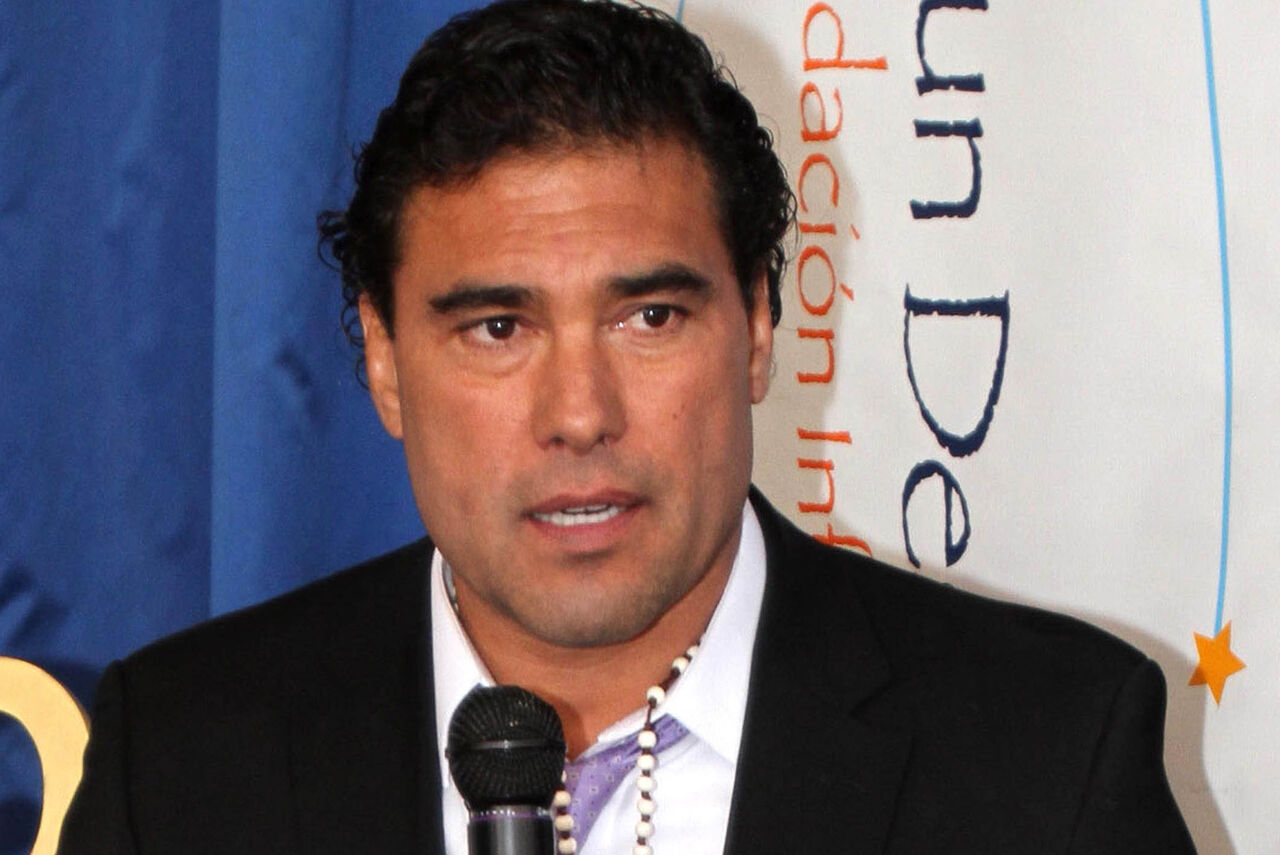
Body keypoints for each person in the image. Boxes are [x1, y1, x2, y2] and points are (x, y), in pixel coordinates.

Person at [58, 1, 1197, 853]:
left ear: (758, 327)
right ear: (384, 361)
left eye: (649, 317)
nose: (579, 415)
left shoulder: (1049, 756)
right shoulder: (182, 762)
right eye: (498, 328)